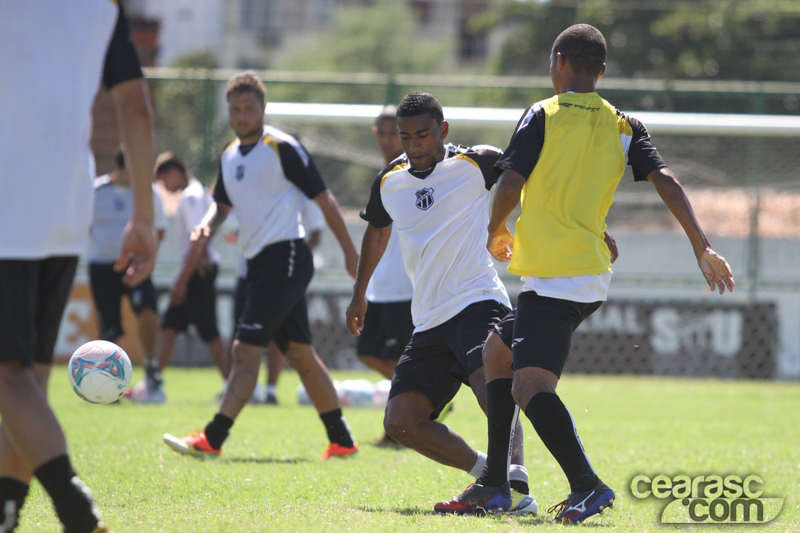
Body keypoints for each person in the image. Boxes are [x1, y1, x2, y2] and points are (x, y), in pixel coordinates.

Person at [444, 24, 735, 524]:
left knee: (530, 386)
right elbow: (665, 178)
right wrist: (701, 246)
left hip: (556, 278)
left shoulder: (543, 113)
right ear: (601, 71)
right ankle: (495, 483)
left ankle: (588, 487)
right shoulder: (624, 125)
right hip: (584, 274)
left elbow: (512, 179)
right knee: (497, 354)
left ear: (557, 62)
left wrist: (495, 226)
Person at [0, 2, 157, 532]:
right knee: (27, 381)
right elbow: (136, 107)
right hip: (65, 212)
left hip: (7, 208)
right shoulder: (99, 10)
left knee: (9, 378)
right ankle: (7, 511)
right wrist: (143, 214)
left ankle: (75, 509)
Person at [345, 92, 536, 515]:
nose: (414, 146)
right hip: (429, 319)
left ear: (443, 131)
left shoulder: (476, 163)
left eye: (423, 135)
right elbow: (376, 232)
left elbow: (528, 181)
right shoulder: (389, 181)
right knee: (400, 422)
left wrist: (506, 227)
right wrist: (359, 293)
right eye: (406, 137)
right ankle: (489, 472)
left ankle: (515, 478)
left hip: (477, 299)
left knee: (493, 384)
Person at [163, 71, 360, 460]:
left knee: (244, 350)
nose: (242, 115)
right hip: (258, 263)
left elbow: (325, 200)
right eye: (235, 109)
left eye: (249, 108)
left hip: (286, 256)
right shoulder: (229, 154)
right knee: (301, 355)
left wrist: (351, 254)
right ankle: (342, 440)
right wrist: (205, 227)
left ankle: (212, 439)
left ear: (263, 109)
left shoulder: (281, 147)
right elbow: (221, 206)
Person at [142, 152, 227, 403]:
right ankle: (153, 382)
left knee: (209, 332)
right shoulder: (199, 193)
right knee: (169, 326)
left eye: (163, 180)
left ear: (174, 173)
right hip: (197, 268)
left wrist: (182, 280)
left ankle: (234, 385)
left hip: (196, 271)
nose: (165, 187)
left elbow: (197, 240)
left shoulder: (190, 197)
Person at [356, 105, 415, 447]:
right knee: (367, 351)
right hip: (382, 284)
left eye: (394, 132)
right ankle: (424, 401)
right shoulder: (384, 174)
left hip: (405, 286)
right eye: (382, 132)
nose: (388, 138)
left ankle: (401, 426)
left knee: (403, 360)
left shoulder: (413, 172)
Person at [230, 198, 325, 405]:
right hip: (249, 273)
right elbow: (231, 226)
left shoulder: (302, 187)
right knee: (244, 338)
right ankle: (248, 393)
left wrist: (296, 262)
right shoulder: (254, 183)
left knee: (286, 341)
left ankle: (270, 390)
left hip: (285, 275)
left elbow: (316, 231)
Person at [88, 149, 166, 399]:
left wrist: (147, 256)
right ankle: (110, 383)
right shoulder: (96, 191)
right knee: (110, 326)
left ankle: (151, 366)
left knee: (148, 310)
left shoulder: (149, 193)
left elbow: (160, 229)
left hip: (136, 265)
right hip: (103, 266)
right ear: (119, 168)